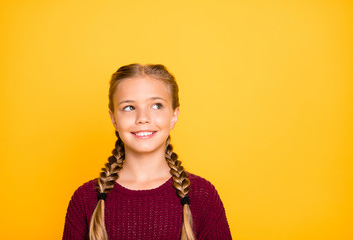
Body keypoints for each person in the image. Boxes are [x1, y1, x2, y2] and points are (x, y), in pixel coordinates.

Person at [63, 64, 232, 240]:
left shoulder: (202, 196)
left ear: (173, 116)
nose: (143, 118)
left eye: (157, 105)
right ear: (113, 118)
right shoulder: (85, 199)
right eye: (129, 107)